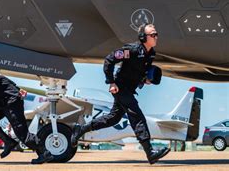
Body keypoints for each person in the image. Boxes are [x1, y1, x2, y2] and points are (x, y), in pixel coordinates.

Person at [70, 23, 170, 165]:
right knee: (136, 114)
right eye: (153, 34)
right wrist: (111, 82)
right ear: (143, 37)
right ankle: (150, 152)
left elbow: (138, 70)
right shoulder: (132, 50)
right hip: (120, 88)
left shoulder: (151, 53)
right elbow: (109, 60)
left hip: (129, 89)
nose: (156, 37)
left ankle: (81, 129)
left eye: (156, 34)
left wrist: (144, 79)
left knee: (113, 119)